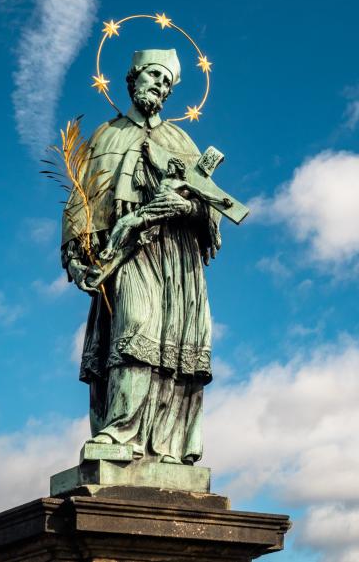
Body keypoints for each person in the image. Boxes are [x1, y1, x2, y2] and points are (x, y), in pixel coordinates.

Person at [61, 48, 221, 464]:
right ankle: (120, 432)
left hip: (178, 257)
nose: (160, 87)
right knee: (134, 325)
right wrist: (78, 255)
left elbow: (213, 209)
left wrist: (186, 207)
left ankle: (168, 443)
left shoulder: (180, 140)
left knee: (176, 343)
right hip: (130, 251)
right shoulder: (107, 135)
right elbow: (83, 201)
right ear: (131, 80)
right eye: (153, 77)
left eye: (167, 83)